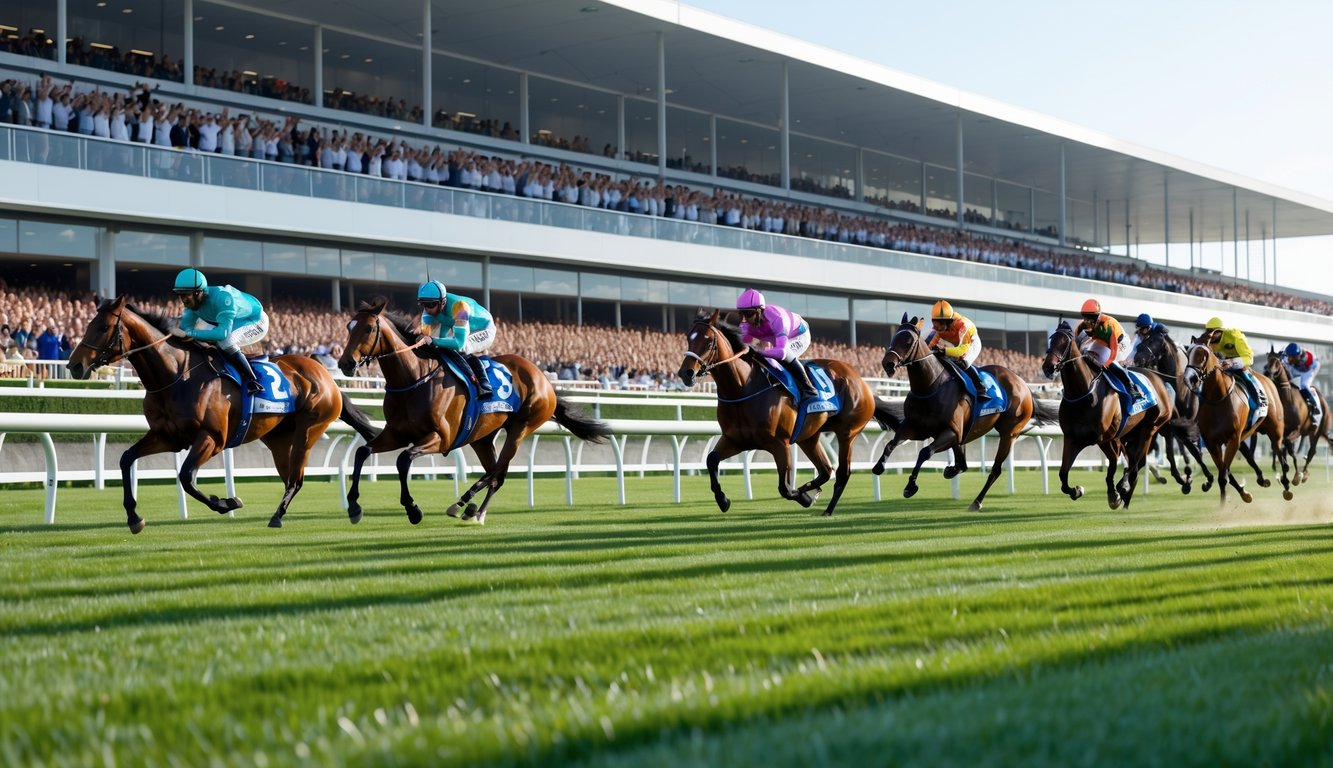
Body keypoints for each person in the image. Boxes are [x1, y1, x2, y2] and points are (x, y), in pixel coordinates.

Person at [172, 267, 268, 395]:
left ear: (198, 292)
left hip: (255, 320)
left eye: (186, 295)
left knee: (226, 341)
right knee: (206, 336)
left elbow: (221, 334)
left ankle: (252, 380)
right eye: (180, 295)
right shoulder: (191, 307)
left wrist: (190, 334)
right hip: (235, 321)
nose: (183, 300)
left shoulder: (223, 298)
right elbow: (183, 331)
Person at [417, 279, 494, 399]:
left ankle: (484, 384)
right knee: (435, 347)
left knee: (462, 348)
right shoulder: (428, 313)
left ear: (442, 302)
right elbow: (429, 339)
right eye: (423, 304)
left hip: (483, 329)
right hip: (456, 324)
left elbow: (458, 343)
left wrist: (434, 341)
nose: (427, 309)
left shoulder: (459, 307)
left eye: (431, 304)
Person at [735, 288, 816, 400]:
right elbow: (744, 344)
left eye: (748, 314)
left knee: (784, 356)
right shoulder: (747, 323)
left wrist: (758, 352)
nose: (744, 319)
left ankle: (809, 389)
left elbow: (782, 352)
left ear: (759, 311)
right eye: (741, 314)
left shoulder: (777, 318)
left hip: (798, 335)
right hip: (773, 336)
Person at [1074, 298, 1141, 399]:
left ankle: (1131, 386)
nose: (1089, 321)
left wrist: (1107, 363)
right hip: (1101, 340)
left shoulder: (1108, 324)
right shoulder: (1080, 327)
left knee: (1109, 363)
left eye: (1092, 317)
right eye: (1086, 317)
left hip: (1120, 343)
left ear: (1099, 315)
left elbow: (1113, 351)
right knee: (1086, 354)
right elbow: (1077, 348)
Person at [1200, 316, 1265, 409]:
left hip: (1241, 362)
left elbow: (1249, 358)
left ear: (1220, 331)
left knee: (1246, 378)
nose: (1210, 334)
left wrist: (1231, 362)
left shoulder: (1235, 336)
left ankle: (1258, 401)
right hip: (1223, 362)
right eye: (1208, 331)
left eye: (1213, 331)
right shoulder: (1208, 340)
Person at [925, 300, 985, 393]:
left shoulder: (964, 326)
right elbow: (930, 346)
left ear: (948, 322)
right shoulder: (939, 326)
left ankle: (980, 386)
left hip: (969, 344)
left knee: (962, 362)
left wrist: (944, 350)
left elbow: (961, 350)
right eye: (935, 325)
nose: (938, 329)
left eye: (940, 326)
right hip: (953, 343)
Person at [1282, 342, 1321, 418]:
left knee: (1303, 385)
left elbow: (1315, 366)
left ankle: (1314, 405)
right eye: (1289, 357)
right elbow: (1284, 359)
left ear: (1298, 355)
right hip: (1296, 368)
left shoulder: (1307, 359)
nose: (1290, 359)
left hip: (1309, 369)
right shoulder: (1290, 355)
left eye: (1292, 357)